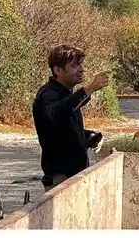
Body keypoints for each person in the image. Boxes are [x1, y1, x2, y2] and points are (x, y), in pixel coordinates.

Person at [32, 44, 110, 189]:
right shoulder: (48, 93)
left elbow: (62, 131)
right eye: (75, 65)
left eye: (80, 64)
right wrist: (89, 89)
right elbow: (56, 114)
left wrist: (89, 137)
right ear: (58, 70)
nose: (81, 69)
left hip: (73, 176)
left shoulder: (65, 94)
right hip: (61, 180)